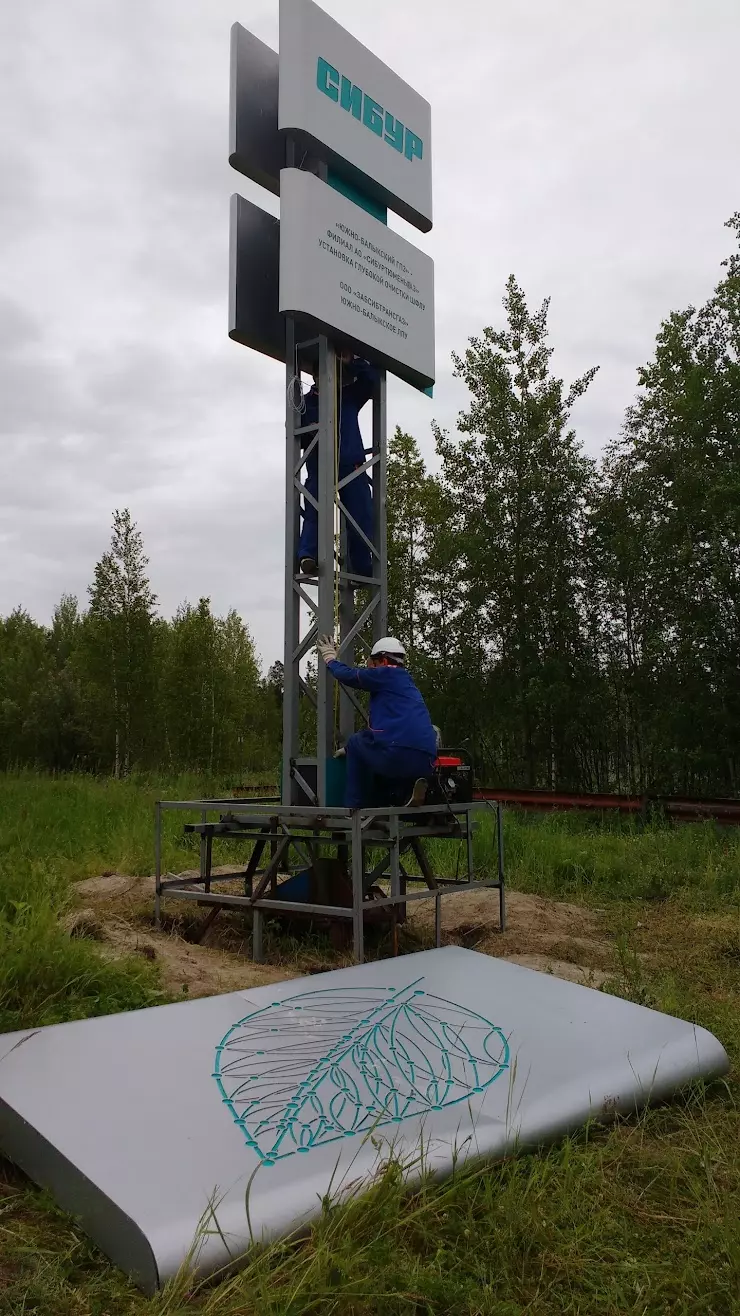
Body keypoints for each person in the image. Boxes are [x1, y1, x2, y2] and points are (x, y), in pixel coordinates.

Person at [317, 634, 437, 809]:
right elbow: (385, 732)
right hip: (426, 762)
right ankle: (399, 798)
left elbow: (349, 675)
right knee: (378, 752)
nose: (370, 666)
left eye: (372, 662)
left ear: (382, 659)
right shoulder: (407, 684)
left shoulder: (385, 674)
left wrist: (330, 659)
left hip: (397, 755)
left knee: (356, 742)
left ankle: (353, 810)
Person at [296, 351, 378, 580]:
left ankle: (361, 567)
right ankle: (307, 556)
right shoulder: (306, 403)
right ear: (314, 376)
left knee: (361, 516)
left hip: (351, 466)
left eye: (334, 370)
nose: (329, 376)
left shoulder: (348, 396)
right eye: (322, 371)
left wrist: (353, 361)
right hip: (320, 466)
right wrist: (310, 427)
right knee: (315, 511)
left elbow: (371, 380)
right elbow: (294, 433)